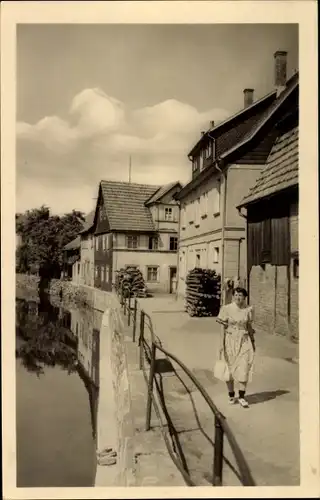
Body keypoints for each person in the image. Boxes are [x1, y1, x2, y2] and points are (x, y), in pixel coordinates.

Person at [216, 287, 255, 408]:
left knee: (244, 367)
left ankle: (242, 397)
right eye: (236, 295)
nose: (238, 298)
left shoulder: (249, 309)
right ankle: (231, 394)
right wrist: (221, 343)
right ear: (233, 296)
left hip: (244, 341)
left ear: (245, 297)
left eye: (241, 295)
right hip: (230, 340)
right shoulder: (226, 309)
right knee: (229, 369)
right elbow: (222, 327)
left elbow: (249, 327)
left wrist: (253, 342)